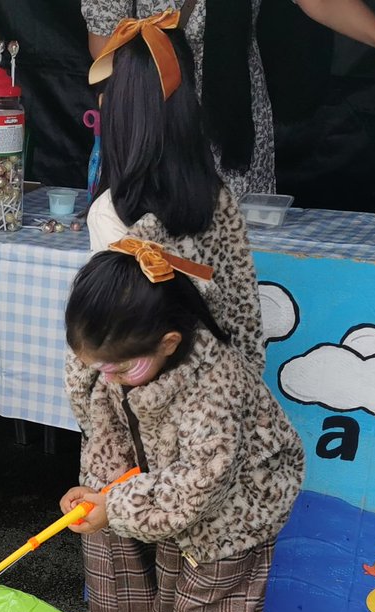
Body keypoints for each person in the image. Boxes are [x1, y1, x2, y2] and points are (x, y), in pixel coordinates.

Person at [59, 240, 304, 612]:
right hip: (166, 491)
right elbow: (104, 423)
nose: (107, 376)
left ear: (169, 343)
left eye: (118, 368)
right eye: (95, 365)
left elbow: (198, 486)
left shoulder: (216, 386)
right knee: (166, 595)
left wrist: (116, 506)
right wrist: (101, 489)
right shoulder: (115, 356)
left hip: (235, 513)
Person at [81, 1, 375, 197]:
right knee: (155, 255)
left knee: (239, 256)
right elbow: (105, 48)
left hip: (234, 122)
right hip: (153, 121)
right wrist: (136, 119)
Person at [83, 16, 264, 375]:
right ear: (189, 108)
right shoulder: (217, 198)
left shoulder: (110, 212)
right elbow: (244, 309)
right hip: (222, 386)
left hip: (155, 400)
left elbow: (114, 344)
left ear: (112, 110)